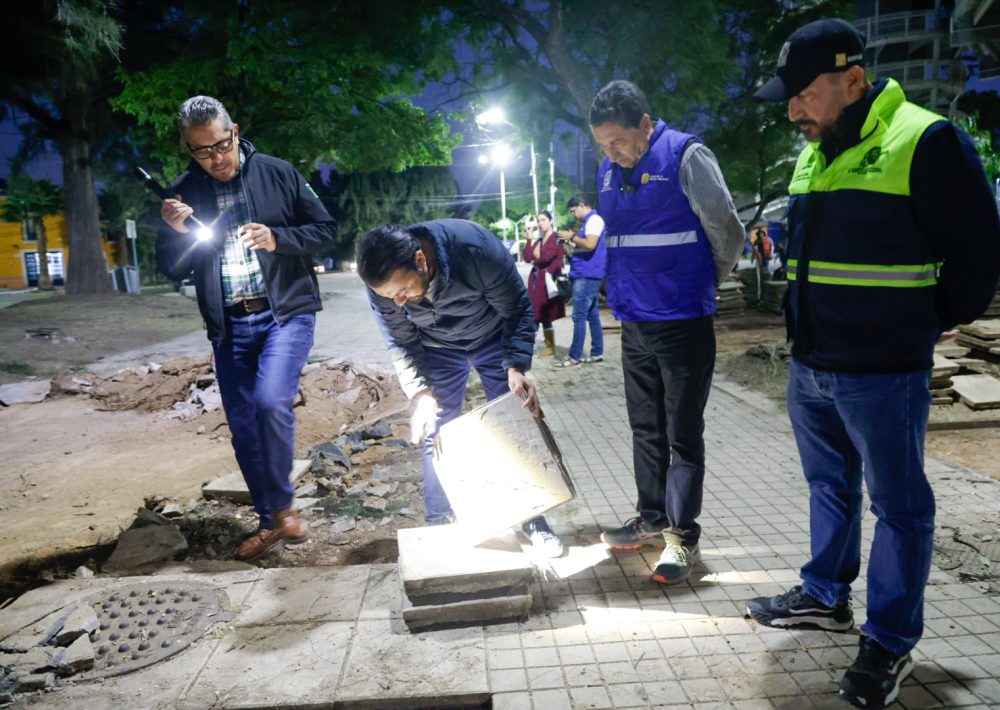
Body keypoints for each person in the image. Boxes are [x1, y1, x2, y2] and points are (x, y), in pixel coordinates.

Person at [745, 19, 1000, 709]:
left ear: (852, 80)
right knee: (829, 487)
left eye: (802, 95)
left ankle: (889, 638)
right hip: (813, 366)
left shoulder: (923, 139)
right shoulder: (814, 150)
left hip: (883, 371)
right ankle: (825, 596)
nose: (792, 110)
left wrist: (929, 316)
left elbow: (981, 249)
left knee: (901, 508)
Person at [156, 96, 337, 562]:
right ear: (187, 148)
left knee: (271, 401)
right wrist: (175, 232)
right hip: (228, 324)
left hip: (285, 313)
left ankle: (282, 508)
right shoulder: (183, 192)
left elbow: (326, 230)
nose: (217, 158)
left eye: (222, 144)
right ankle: (268, 519)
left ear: (234, 130)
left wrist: (279, 238)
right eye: (203, 151)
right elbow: (170, 269)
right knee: (243, 427)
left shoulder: (277, 172)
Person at [588, 80, 744, 584]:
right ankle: (651, 517)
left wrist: (698, 285)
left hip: (682, 323)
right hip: (634, 323)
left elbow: (728, 230)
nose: (611, 154)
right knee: (645, 428)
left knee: (682, 433)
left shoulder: (685, 156)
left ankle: (682, 538)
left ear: (646, 124)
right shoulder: (610, 172)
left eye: (618, 142)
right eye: (602, 145)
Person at [356, 220, 564, 557]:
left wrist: (515, 365)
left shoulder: (475, 249)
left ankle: (532, 517)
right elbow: (400, 339)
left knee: (513, 418)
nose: (397, 302)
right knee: (433, 428)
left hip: (492, 336)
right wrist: (421, 393)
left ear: (421, 260)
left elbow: (516, 309)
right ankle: (440, 521)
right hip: (436, 346)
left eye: (402, 291)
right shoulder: (382, 283)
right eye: (388, 296)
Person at [554, 194, 606, 367]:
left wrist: (571, 236)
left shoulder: (594, 220)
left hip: (587, 274)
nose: (572, 215)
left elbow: (590, 244)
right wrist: (570, 243)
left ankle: (574, 356)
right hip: (586, 273)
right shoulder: (589, 222)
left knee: (579, 316)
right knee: (592, 316)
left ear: (582, 205)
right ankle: (597, 352)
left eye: (573, 211)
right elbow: (586, 247)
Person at [523, 211, 566, 358]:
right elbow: (527, 257)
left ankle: (548, 346)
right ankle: (530, 346)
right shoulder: (539, 240)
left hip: (547, 281)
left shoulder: (557, 238)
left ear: (550, 221)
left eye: (543, 220)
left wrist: (537, 259)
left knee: (544, 313)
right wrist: (529, 237)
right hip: (536, 280)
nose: (540, 223)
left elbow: (547, 258)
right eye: (538, 220)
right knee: (534, 312)